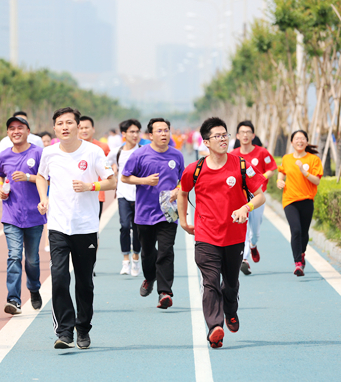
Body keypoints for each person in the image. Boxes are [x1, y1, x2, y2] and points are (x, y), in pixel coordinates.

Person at [178, 117, 266, 349]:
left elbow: (260, 195)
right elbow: (182, 191)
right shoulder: (195, 169)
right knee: (210, 282)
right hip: (206, 235)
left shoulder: (241, 165)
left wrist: (245, 207)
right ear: (206, 142)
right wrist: (184, 220)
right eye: (217, 136)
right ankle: (215, 327)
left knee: (231, 282)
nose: (223, 139)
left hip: (234, 236)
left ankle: (231, 310)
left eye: (225, 134)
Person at [36, 107, 115, 350]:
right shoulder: (49, 153)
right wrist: (43, 198)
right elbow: (41, 176)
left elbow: (112, 182)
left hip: (86, 226)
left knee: (84, 282)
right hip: (58, 226)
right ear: (54, 128)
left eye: (69, 122)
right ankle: (65, 331)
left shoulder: (92, 152)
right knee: (59, 278)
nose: (65, 127)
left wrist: (90, 186)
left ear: (78, 126)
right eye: (60, 123)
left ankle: (83, 328)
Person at [121, 118, 185, 309]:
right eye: (159, 131)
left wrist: (177, 190)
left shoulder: (177, 155)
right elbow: (125, 177)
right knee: (148, 252)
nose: (164, 134)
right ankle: (149, 277)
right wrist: (144, 181)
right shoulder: (139, 154)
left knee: (166, 251)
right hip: (145, 213)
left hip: (168, 213)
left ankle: (165, 292)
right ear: (150, 135)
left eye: (166, 130)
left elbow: (185, 181)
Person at [0, 116, 46, 315]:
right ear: (8, 133)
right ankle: (13, 299)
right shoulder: (4, 155)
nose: (16, 131)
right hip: (11, 214)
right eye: (12, 128)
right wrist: (0, 188)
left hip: (34, 214)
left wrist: (28, 177)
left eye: (20, 128)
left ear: (28, 131)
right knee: (14, 256)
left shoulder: (39, 153)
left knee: (32, 259)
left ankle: (34, 288)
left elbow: (47, 178)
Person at [230, 121, 277, 275]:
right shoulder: (233, 154)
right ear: (237, 136)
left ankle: (253, 245)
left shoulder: (262, 152)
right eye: (242, 132)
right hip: (240, 198)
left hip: (257, 197)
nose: (245, 135)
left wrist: (259, 178)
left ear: (253, 135)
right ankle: (244, 259)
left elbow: (272, 169)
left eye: (248, 132)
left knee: (254, 231)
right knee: (241, 229)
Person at [277, 130, 322, 277]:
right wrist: (279, 180)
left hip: (307, 200)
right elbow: (282, 171)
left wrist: (304, 171)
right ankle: (297, 263)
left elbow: (317, 180)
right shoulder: (287, 158)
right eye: (296, 138)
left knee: (304, 232)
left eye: (302, 138)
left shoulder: (313, 160)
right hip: (290, 200)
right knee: (295, 230)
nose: (299, 141)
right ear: (292, 142)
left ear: (307, 142)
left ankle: (302, 253)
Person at [106, 119, 142, 276]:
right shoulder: (117, 152)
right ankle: (125, 261)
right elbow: (105, 164)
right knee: (125, 227)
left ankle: (136, 260)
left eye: (137, 132)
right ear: (124, 134)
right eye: (131, 132)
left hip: (140, 196)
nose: (135, 135)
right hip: (123, 194)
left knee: (138, 229)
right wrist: (112, 173)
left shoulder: (143, 151)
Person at [79, 115, 110, 218]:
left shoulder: (102, 147)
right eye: (81, 128)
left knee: (93, 228)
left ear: (93, 129)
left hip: (97, 194)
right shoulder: (73, 148)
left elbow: (109, 166)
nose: (84, 130)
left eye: (86, 127)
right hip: (78, 194)